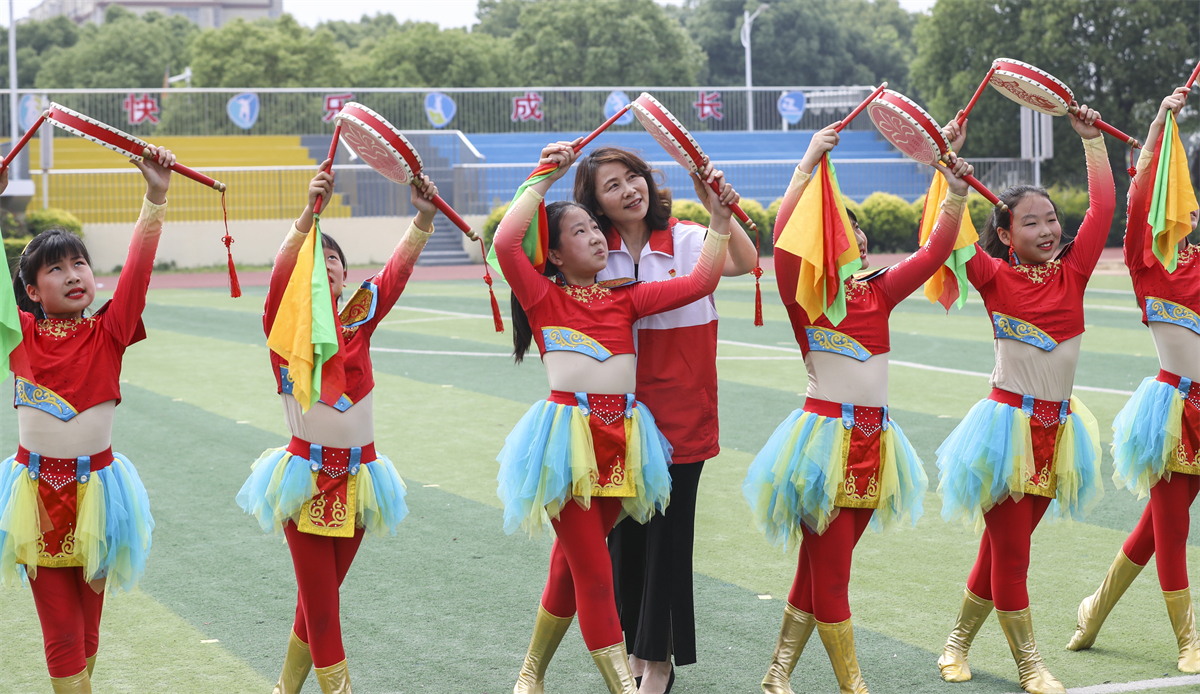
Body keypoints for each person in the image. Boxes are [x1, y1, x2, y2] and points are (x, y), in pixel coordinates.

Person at [495, 140, 735, 694]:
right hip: (567, 446)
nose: (596, 236)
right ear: (555, 256)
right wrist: (542, 176)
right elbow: (508, 243)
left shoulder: (626, 297)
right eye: (579, 232)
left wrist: (718, 220)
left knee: (567, 567)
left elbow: (701, 282)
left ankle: (531, 671)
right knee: (595, 575)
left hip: (625, 446)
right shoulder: (541, 297)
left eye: (593, 229)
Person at [744, 124, 974, 694]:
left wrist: (954, 187)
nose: (852, 241)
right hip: (822, 446)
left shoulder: (880, 292)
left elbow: (937, 250)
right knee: (833, 573)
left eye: (857, 234)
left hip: (877, 445)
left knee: (821, 568)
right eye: (837, 232)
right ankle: (854, 686)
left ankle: (777, 675)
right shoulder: (806, 298)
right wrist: (807, 163)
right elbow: (783, 237)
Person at [237, 162, 440, 694]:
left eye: (333, 261)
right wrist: (308, 215)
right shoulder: (282, 326)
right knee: (324, 606)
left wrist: (421, 219)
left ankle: (284, 689)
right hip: (305, 479)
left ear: (347, 278)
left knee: (317, 603)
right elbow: (283, 272)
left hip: (360, 481)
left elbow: (394, 275)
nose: (324, 265)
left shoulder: (358, 320)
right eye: (315, 260)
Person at [935, 104, 1115, 694]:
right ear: (1006, 233)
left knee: (1001, 551)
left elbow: (1103, 210)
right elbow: (949, 245)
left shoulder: (1076, 272)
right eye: (1031, 223)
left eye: (1051, 219)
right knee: (1013, 556)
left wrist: (1091, 143)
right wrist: (950, 176)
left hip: (1057, 434)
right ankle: (1030, 665)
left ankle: (955, 645)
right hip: (1005, 432)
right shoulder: (993, 277)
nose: (1047, 229)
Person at [572, 146, 757, 693]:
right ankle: (634, 647)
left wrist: (720, 215)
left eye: (636, 177)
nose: (631, 189)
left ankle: (657, 662)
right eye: (613, 185)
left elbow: (744, 263)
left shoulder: (688, 237)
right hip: (616, 419)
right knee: (624, 541)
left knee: (669, 541)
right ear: (594, 201)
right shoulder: (591, 251)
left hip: (681, 415)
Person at [0, 147, 174, 693]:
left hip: (102, 497)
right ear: (31, 291)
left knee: (89, 635)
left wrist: (156, 196)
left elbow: (138, 273)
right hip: (39, 501)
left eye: (80, 264)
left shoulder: (110, 331)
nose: (74, 275)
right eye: (56, 269)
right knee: (62, 634)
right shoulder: (20, 337)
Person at [1065, 86, 1200, 672]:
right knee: (1171, 530)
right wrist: (1156, 124)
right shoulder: (1149, 266)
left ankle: (1094, 609)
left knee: (1153, 529)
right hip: (1174, 410)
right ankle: (1189, 642)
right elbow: (1139, 196)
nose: (1184, 212)